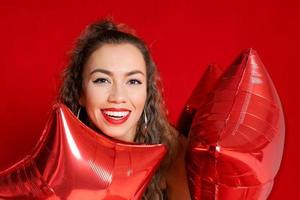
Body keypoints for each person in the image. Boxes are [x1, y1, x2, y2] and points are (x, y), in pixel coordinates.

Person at [58, 19, 190, 199]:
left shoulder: (174, 154)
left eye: (133, 81)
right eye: (102, 80)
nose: (118, 97)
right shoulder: (58, 158)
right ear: (81, 92)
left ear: (147, 92)